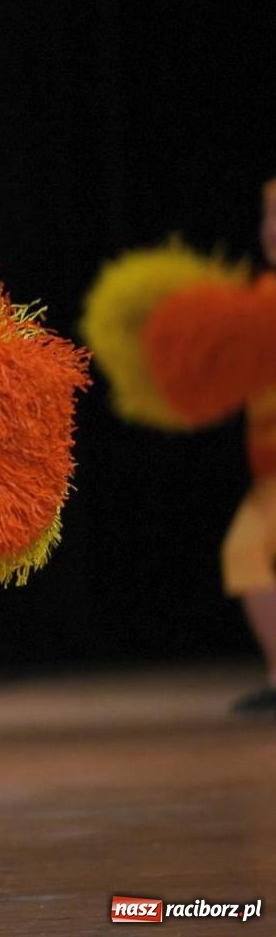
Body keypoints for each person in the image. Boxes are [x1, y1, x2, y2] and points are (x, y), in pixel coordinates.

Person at [223, 177, 276, 714]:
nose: (273, 229)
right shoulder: (257, 301)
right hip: (270, 476)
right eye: (268, 216)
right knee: (246, 553)